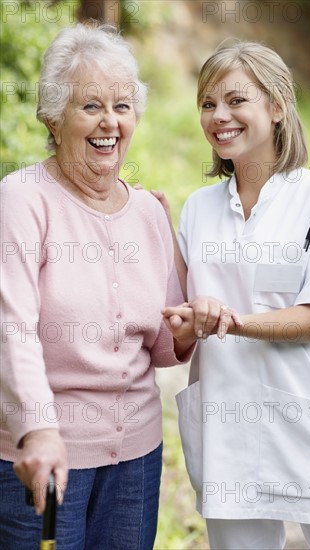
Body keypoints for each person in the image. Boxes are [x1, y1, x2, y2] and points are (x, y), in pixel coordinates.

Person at [0, 23, 194, 550]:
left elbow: (164, 350)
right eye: (90, 106)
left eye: (123, 105)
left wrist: (188, 328)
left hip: (136, 461)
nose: (110, 122)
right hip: (46, 456)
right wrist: (37, 430)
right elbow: (10, 327)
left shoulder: (150, 213)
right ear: (52, 118)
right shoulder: (22, 200)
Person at [161, 41, 310, 549]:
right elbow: (183, 327)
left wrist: (230, 321)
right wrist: (157, 236)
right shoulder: (197, 209)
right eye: (207, 104)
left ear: (277, 106)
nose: (218, 116)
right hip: (230, 435)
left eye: (235, 100)